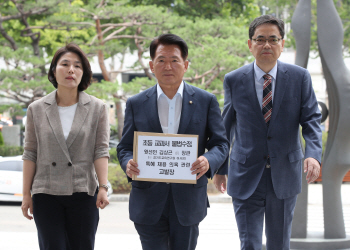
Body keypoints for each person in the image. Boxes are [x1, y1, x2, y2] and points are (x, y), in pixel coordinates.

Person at [213, 15, 322, 250]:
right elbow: (226, 125)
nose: (266, 45)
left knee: (279, 244)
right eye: (260, 39)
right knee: (249, 244)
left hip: (284, 174)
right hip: (245, 173)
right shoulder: (233, 80)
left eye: (273, 39)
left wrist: (313, 154)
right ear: (250, 44)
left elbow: (312, 119)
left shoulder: (299, 77)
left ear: (282, 44)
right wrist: (221, 168)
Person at [117, 34, 229, 250]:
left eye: (174, 60)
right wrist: (128, 162)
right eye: (161, 60)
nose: (168, 66)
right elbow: (124, 147)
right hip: (147, 200)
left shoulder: (206, 101)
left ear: (185, 65)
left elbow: (221, 144)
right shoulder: (136, 103)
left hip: (187, 201)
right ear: (151, 65)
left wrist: (208, 160)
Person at [21, 43, 110, 250]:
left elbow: (101, 150)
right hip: (46, 192)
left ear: (84, 73)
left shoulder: (98, 108)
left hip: (83, 191)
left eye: (78, 66)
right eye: (65, 64)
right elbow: (30, 153)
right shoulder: (36, 109)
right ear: (54, 71)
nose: (71, 70)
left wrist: (103, 187)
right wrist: (26, 194)